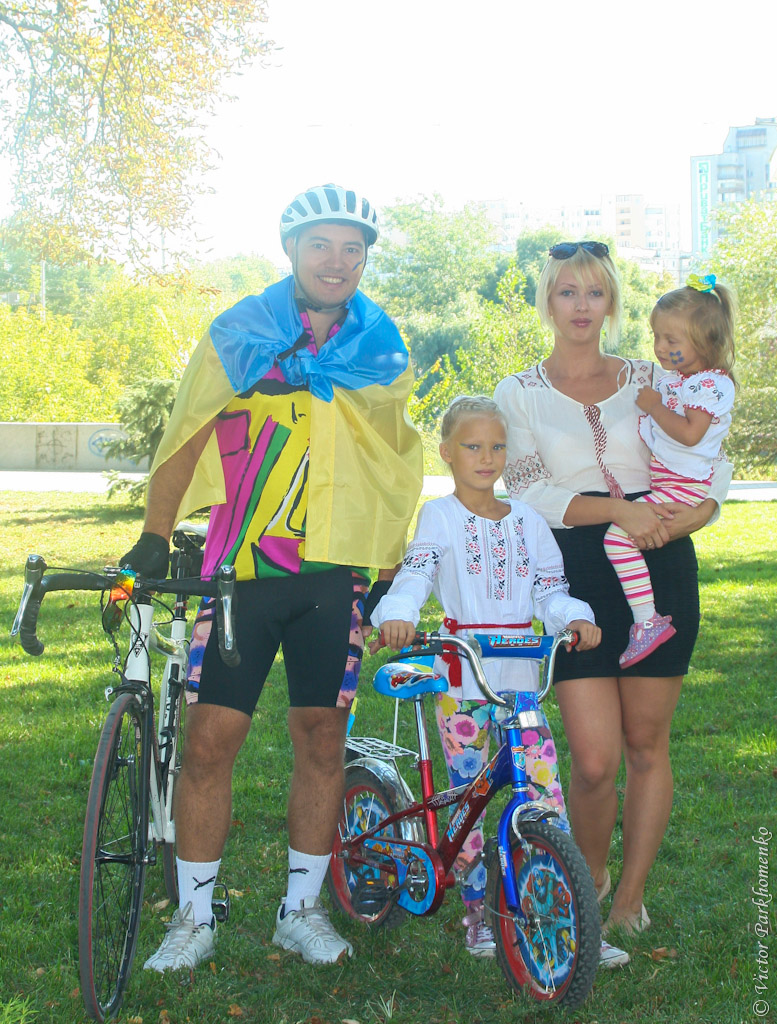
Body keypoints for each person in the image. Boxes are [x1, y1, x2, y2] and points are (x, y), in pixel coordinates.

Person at [121, 184, 423, 970]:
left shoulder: (378, 345)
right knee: (210, 740)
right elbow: (188, 431)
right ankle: (193, 920)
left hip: (332, 575)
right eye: (321, 244)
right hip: (240, 572)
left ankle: (300, 911)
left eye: (352, 249)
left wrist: (391, 566)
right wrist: (156, 532)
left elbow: (393, 460)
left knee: (323, 738)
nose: (336, 261)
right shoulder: (241, 333)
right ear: (290, 249)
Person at [494, 242, 732, 952]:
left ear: (611, 303)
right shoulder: (518, 391)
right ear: (548, 301)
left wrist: (689, 517)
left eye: (594, 292)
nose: (581, 306)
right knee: (594, 760)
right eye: (567, 292)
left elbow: (710, 457)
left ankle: (629, 899)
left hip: (660, 558)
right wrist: (618, 511)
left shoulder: (652, 375)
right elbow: (528, 490)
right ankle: (589, 881)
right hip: (573, 572)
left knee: (645, 744)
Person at [367, 396, 624, 963]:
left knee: (545, 798)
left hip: (521, 683)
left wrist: (573, 617)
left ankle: (571, 918)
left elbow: (549, 589)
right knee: (471, 804)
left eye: (497, 447)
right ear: (447, 452)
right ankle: (479, 917)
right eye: (473, 446)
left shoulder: (528, 520)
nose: (487, 458)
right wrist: (398, 613)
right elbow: (417, 571)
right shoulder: (440, 516)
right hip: (463, 681)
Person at [603, 273, 736, 668]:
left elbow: (691, 435)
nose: (660, 347)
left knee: (617, 539)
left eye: (671, 341)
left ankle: (647, 622)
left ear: (705, 342)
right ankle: (647, 620)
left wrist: (654, 407)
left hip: (684, 488)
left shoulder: (709, 386)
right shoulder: (684, 380)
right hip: (675, 484)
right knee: (621, 538)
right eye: (656, 336)